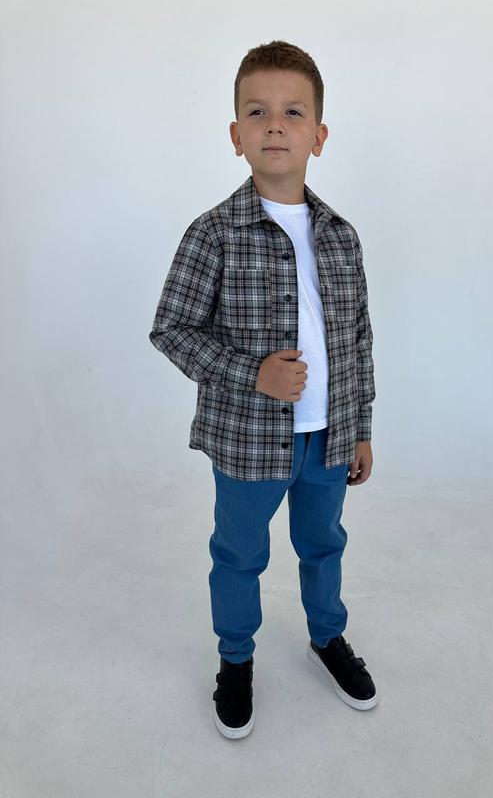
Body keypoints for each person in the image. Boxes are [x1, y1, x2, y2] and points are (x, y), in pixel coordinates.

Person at [149, 39, 377, 739]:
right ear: (236, 134)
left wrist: (361, 428)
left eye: (292, 112)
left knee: (324, 544)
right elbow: (172, 329)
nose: (275, 125)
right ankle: (235, 659)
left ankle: (326, 637)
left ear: (319, 135)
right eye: (257, 112)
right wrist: (254, 373)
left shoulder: (341, 236)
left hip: (328, 438)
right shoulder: (214, 234)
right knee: (240, 555)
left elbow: (359, 338)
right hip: (248, 443)